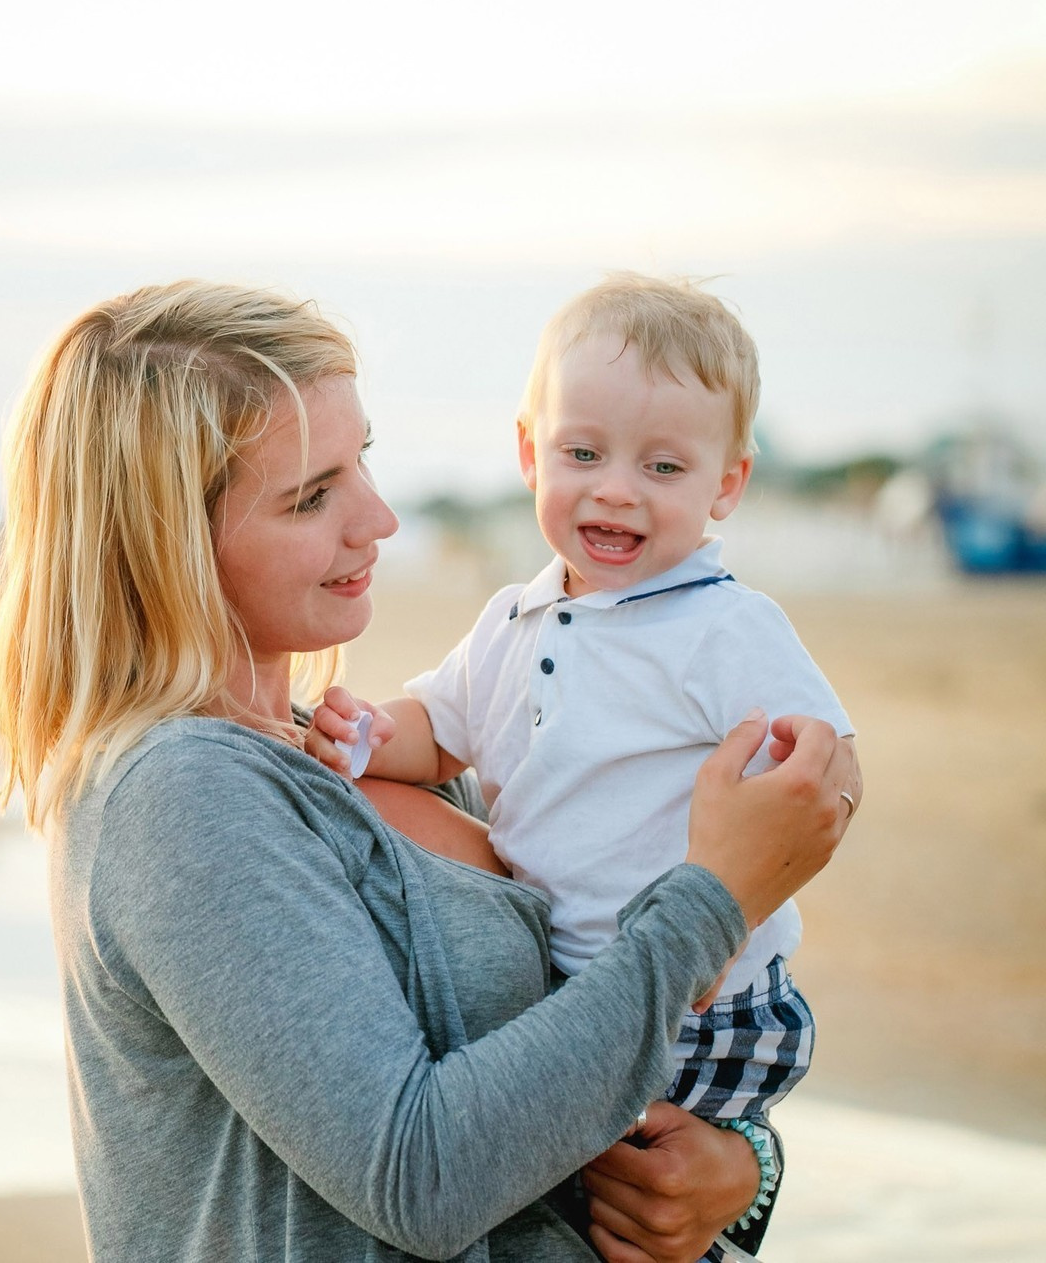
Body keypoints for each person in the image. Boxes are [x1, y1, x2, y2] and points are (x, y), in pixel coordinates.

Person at [0, 279, 857, 1263]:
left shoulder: (353, 751)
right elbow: (421, 1175)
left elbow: (588, 1064)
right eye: (312, 495)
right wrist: (715, 895)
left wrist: (735, 1169)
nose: (379, 519)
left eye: (361, 459)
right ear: (167, 545)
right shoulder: (180, 796)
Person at [306, 277, 857, 1165]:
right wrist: (368, 733)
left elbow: (826, 776)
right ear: (530, 453)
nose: (617, 491)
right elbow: (441, 730)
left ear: (728, 483)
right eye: (583, 454)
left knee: (646, 1202)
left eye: (664, 467)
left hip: (705, 1005)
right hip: (572, 988)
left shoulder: (723, 626)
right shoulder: (512, 621)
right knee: (573, 1191)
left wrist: (729, 906)